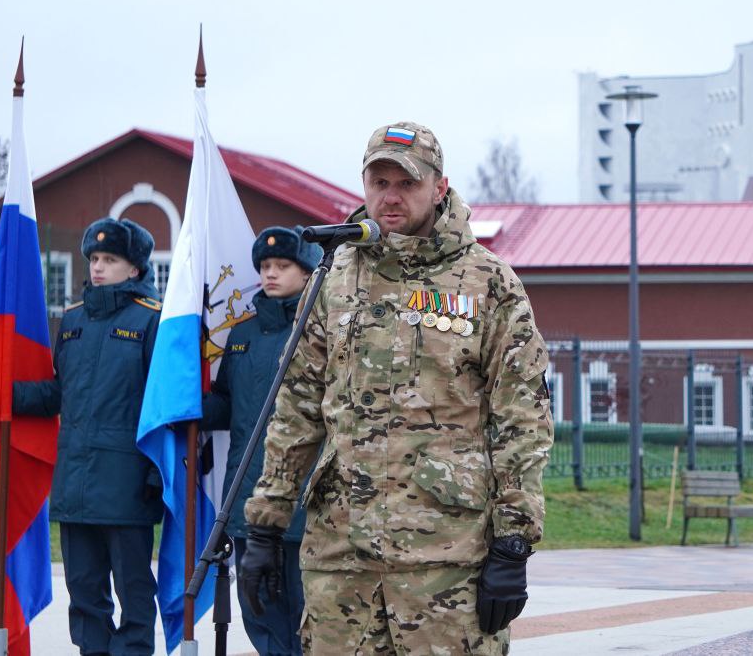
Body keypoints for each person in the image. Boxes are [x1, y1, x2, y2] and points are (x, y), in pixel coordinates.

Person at [241, 122, 552, 655]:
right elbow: (297, 406)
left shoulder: (488, 283)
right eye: (379, 182)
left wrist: (513, 541)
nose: (390, 197)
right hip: (341, 555)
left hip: (446, 559)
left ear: (439, 187)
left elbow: (521, 417)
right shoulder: (333, 277)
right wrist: (266, 524)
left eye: (407, 183)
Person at [13, 217, 163, 655]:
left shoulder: (152, 320)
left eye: (109, 259)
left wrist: (155, 475)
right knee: (83, 593)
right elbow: (59, 393)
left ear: (134, 267)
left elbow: (161, 405)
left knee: (134, 590)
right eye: (94, 258)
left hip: (126, 483)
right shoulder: (74, 319)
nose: (97, 267)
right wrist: (5, 392)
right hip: (76, 481)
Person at [201, 226, 321, 656]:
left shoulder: (322, 330)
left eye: (282, 265)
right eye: (265, 266)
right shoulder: (243, 334)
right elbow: (227, 403)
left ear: (307, 272)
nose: (270, 273)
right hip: (249, 493)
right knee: (260, 611)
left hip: (307, 500)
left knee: (310, 616)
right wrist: (185, 405)